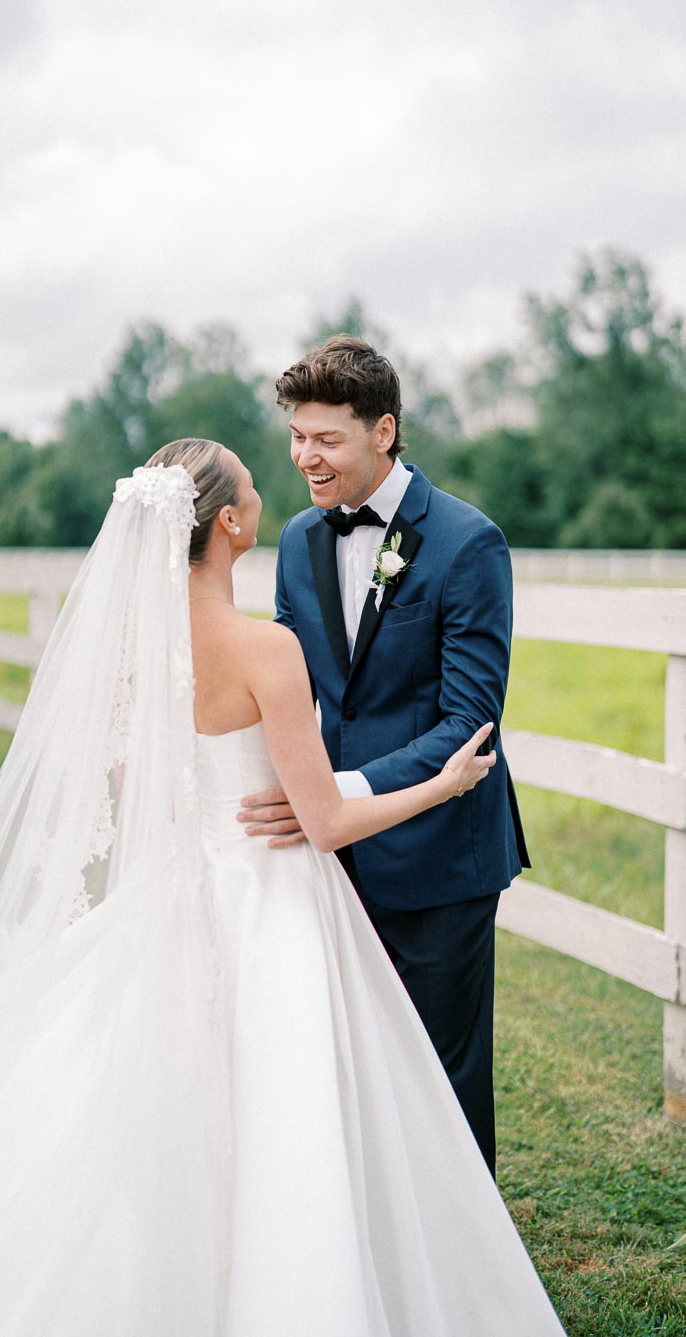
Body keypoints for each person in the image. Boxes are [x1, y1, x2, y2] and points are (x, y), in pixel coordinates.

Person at [0, 445, 563, 1336]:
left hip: (177, 881)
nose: (273, 481)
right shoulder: (268, 649)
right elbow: (324, 824)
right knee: (286, 1103)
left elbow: (138, 779)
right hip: (271, 896)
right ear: (228, 521)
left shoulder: (134, 647)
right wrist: (444, 784)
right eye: (248, 478)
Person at [240, 336, 528, 1174]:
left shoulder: (469, 543)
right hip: (329, 854)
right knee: (346, 1063)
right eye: (298, 436)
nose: (305, 457)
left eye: (326, 439)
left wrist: (336, 789)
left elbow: (471, 721)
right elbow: (291, 687)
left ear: (384, 431)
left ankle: (464, 1286)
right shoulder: (297, 540)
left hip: (443, 854)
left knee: (441, 1075)